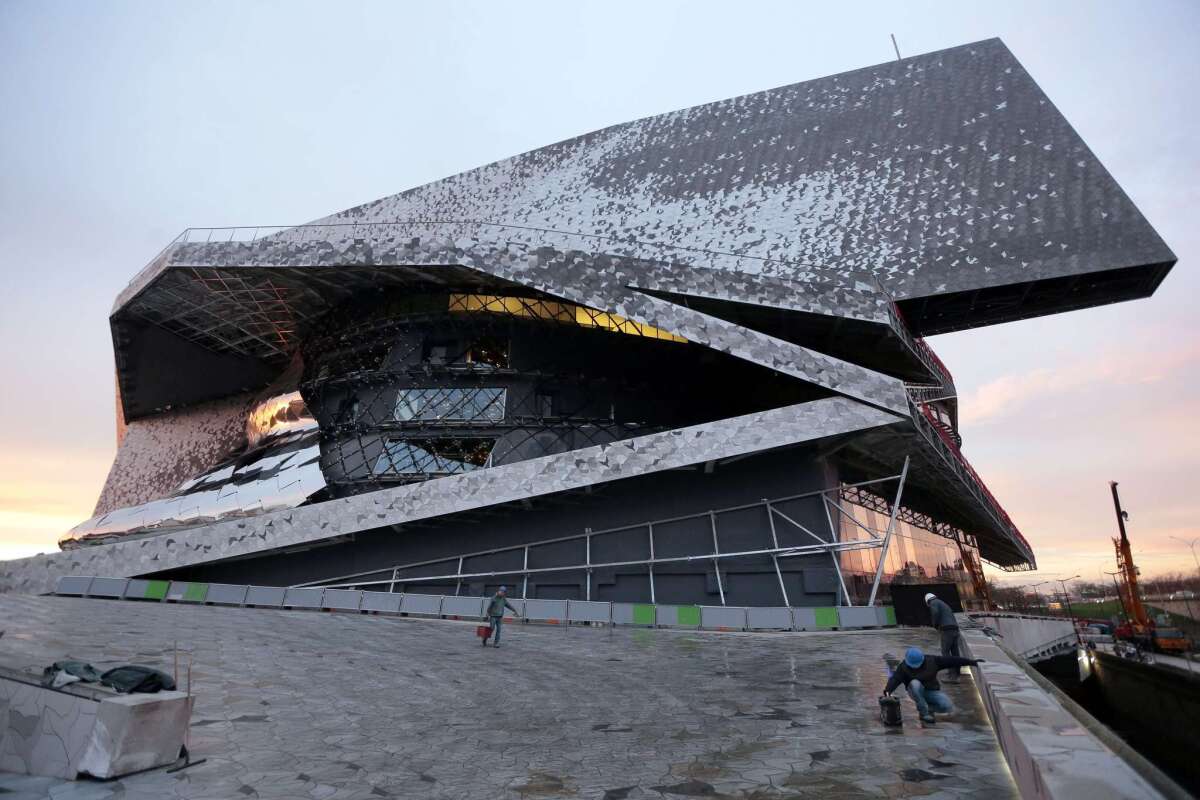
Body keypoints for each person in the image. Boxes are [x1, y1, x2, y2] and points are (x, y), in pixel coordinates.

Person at [883, 646, 983, 724]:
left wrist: (971, 662)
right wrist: (888, 691)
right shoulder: (903, 667)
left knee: (947, 706)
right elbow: (895, 679)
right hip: (915, 691)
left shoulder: (933, 661)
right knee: (915, 683)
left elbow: (952, 660)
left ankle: (928, 708)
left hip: (931, 690)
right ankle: (924, 713)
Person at [925, 592, 964, 680]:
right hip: (954, 628)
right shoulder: (942, 603)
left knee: (945, 652)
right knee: (955, 651)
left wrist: (935, 624)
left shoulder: (933, 603)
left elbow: (935, 613)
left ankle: (952, 676)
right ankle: (957, 671)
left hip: (947, 630)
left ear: (927, 601)